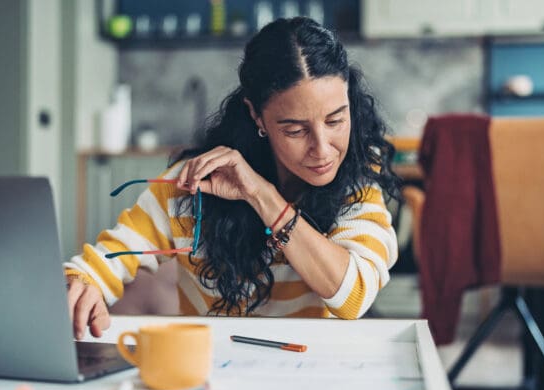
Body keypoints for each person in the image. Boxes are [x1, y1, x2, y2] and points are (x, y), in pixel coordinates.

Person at [64, 17, 401, 340]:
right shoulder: (197, 181)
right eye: (295, 130)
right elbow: (110, 256)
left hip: (310, 374)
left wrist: (261, 195)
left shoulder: (358, 182)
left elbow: (353, 296)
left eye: (335, 121)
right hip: (210, 373)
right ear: (257, 115)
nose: (323, 149)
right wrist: (84, 284)